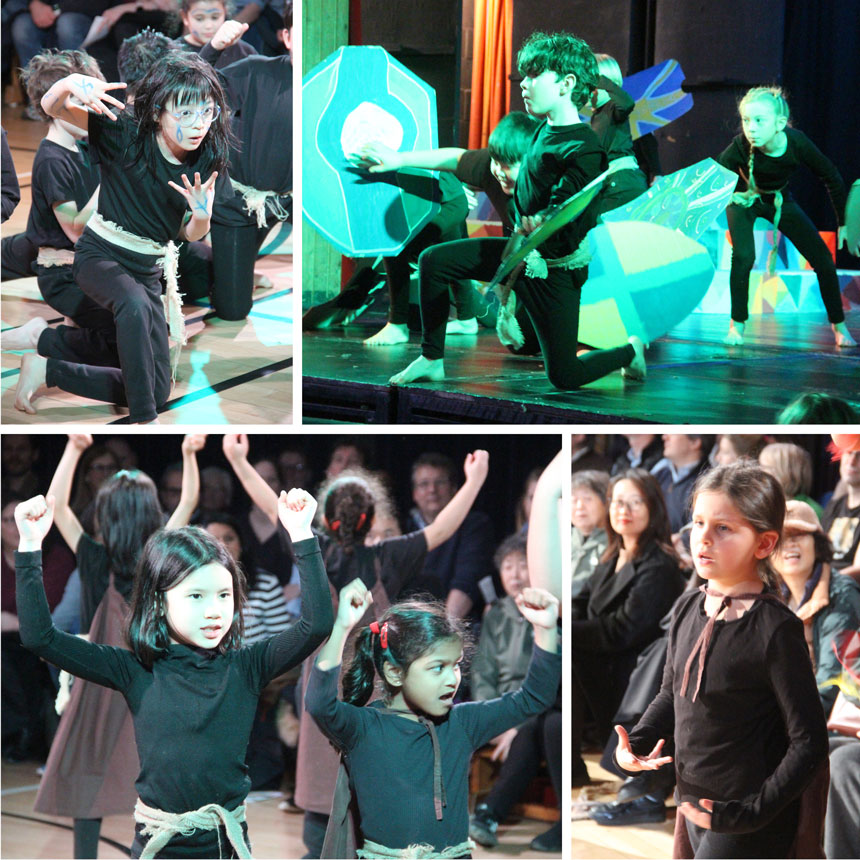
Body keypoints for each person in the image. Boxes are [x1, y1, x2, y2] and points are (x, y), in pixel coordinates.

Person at [15, 487, 333, 858]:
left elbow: (315, 625)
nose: (214, 610)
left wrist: (301, 534)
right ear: (158, 602)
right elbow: (40, 638)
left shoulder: (247, 667)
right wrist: (30, 545)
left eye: (224, 595)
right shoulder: (134, 669)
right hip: (158, 847)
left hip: (225, 846)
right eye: (196, 596)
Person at [221, 435, 490, 857]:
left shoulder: (315, 549)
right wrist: (474, 481)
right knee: (372, 780)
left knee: (320, 785)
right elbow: (441, 529)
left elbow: (272, 505)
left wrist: (238, 459)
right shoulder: (390, 555)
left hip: (325, 681)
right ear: (372, 517)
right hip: (375, 684)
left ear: (325, 518)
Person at [388, 30, 647, 389]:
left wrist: (545, 218)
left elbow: (572, 204)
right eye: (524, 75)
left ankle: (628, 352)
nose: (523, 84)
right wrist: (395, 159)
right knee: (434, 260)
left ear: (566, 83)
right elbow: (463, 159)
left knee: (564, 375)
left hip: (553, 271)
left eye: (534, 74)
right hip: (520, 256)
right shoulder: (541, 130)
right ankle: (431, 358)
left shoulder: (584, 147)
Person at [614, 461, 829, 858]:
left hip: (747, 818)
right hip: (692, 800)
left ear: (764, 544)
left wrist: (752, 812)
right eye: (698, 523)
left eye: (723, 528)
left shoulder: (775, 628)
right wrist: (638, 743)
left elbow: (809, 741)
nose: (703, 539)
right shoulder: (686, 606)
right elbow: (671, 694)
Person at [14, 51, 231, 423]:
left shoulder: (207, 155)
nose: (199, 124)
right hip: (100, 255)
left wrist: (201, 216)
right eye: (185, 113)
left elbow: (188, 232)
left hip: (149, 268)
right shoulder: (124, 130)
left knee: (156, 389)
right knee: (134, 306)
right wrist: (67, 85)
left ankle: (47, 370)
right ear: (159, 110)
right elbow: (53, 107)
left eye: (207, 111)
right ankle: (146, 423)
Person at [32, 432, 203, 859]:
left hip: (97, 684)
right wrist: (188, 453)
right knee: (150, 781)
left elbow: (55, 507)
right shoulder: (159, 555)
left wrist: (72, 449)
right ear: (150, 514)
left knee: (90, 778)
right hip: (150, 682)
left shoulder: (92, 555)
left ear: (106, 515)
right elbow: (187, 504)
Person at [304, 575, 559, 857]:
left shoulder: (462, 723)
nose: (452, 679)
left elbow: (534, 697)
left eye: (457, 665)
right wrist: (341, 628)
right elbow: (319, 703)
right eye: (438, 668)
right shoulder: (364, 728)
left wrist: (546, 630)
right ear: (394, 672)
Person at [343, 110, 538, 345]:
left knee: (537, 348)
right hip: (474, 220)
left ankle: (449, 321)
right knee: (437, 258)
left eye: (506, 166)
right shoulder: (491, 168)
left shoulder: (542, 185)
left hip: (456, 208)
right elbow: (457, 159)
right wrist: (399, 159)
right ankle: (437, 342)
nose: (497, 170)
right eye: (495, 163)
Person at [571, 468, 684, 787]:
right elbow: (581, 601)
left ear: (653, 508)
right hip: (602, 659)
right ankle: (568, 765)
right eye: (618, 502)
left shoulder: (659, 563)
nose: (624, 510)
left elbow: (621, 630)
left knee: (568, 654)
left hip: (633, 674)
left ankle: (572, 766)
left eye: (635, 502)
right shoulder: (612, 553)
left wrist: (565, 630)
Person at [717, 86, 855, 347]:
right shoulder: (740, 145)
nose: (751, 128)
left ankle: (839, 327)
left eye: (759, 121)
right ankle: (737, 325)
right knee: (744, 256)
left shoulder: (797, 142)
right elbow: (715, 176)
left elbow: (831, 176)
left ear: (780, 123)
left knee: (823, 259)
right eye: (746, 120)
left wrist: (844, 222)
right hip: (743, 200)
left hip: (777, 200)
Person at [0, 50, 110, 355]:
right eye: (84, 102)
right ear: (57, 107)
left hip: (65, 252)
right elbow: (75, 231)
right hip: (56, 257)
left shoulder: (85, 146)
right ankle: (36, 340)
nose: (93, 110)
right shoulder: (51, 159)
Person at [468, 534, 562, 851]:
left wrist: (518, 725)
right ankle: (485, 815)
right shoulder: (495, 613)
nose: (515, 574)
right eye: (508, 567)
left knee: (535, 726)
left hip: (539, 707)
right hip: (502, 708)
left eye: (523, 564)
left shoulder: (553, 612)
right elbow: (482, 675)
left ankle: (488, 814)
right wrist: (500, 721)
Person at [207, 6, 291, 321]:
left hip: (298, 200)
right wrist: (214, 48)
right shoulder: (256, 70)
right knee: (232, 310)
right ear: (286, 37)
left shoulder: (324, 84)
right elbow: (193, 86)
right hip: (241, 200)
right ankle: (206, 264)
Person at [771, 500, 860, 716]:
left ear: (817, 543)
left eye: (799, 535)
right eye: (781, 538)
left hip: (827, 723)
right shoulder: (769, 597)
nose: (790, 544)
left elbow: (829, 682)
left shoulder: (841, 594)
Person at [405, 452, 494, 618]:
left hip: (453, 628)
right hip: (408, 624)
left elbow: (467, 581)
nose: (432, 490)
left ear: (454, 489)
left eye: (440, 482)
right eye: (424, 484)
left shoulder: (474, 525)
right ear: (414, 493)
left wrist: (442, 633)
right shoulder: (403, 527)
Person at [589, 53, 648, 216]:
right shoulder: (598, 115)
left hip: (622, 183)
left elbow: (627, 103)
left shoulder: (612, 108)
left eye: (590, 83)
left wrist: (599, 79)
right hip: (613, 183)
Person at [175, 0, 256, 69]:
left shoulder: (243, 51)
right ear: (185, 17)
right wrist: (213, 48)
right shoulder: (174, 53)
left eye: (215, 17)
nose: (208, 26)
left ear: (225, 12)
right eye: (199, 18)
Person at [821, 446, 860, 581]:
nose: (851, 461)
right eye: (848, 453)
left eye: (859, 455)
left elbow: (858, 569)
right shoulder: (834, 505)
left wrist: (821, 582)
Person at [570, 469, 609, 598]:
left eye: (587, 499)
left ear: (606, 503)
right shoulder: (562, 538)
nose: (579, 506)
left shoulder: (615, 541)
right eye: (574, 500)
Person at [758, 441, 822, 518]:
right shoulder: (762, 504)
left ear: (785, 472)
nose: (759, 472)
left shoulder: (809, 511)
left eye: (765, 467)